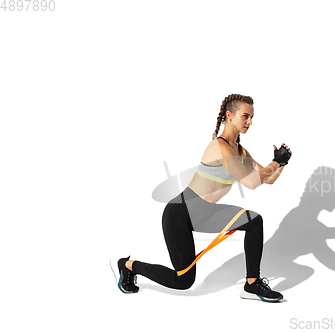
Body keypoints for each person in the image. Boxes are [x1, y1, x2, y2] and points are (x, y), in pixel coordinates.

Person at [111, 94, 292, 302]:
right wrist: (274, 162)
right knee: (183, 281)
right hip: (181, 212)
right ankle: (127, 265)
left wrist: (281, 164)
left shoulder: (240, 151)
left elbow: (268, 180)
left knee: (254, 221)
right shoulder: (220, 146)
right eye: (245, 116)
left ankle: (252, 285)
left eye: (252, 117)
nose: (250, 122)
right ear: (229, 115)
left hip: (205, 212)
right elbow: (251, 183)